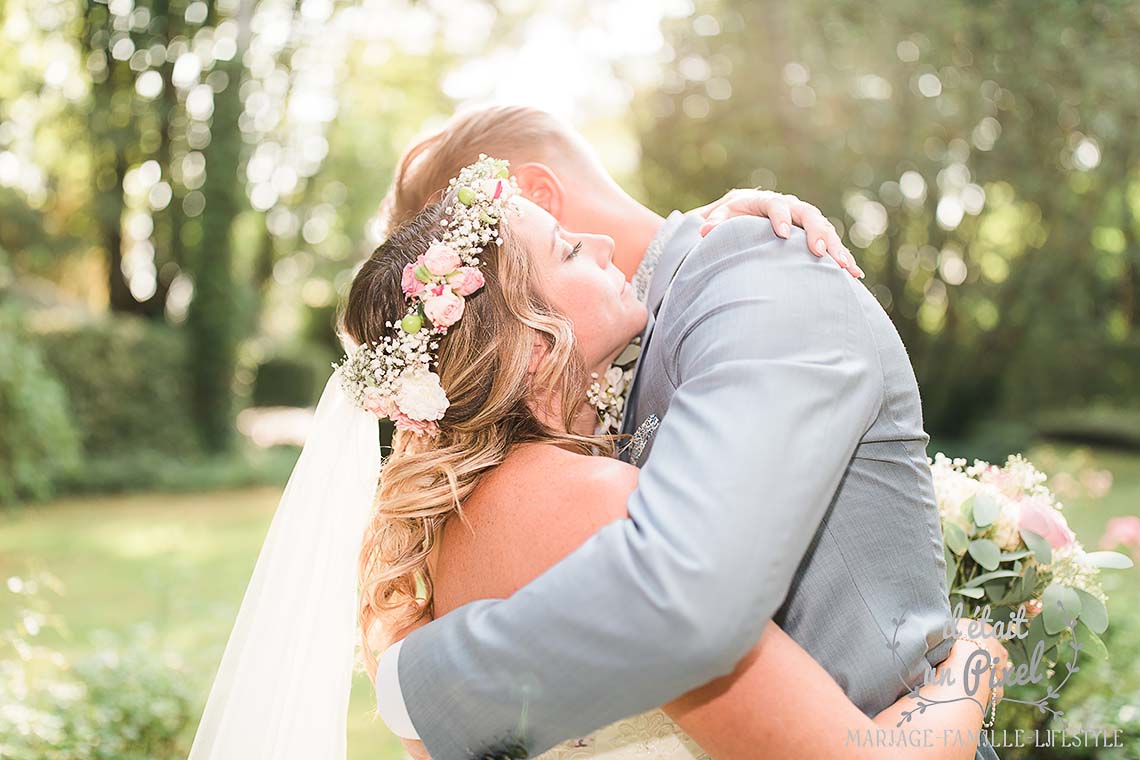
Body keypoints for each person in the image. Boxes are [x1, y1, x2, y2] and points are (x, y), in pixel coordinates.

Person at [367, 108, 1000, 760]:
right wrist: (977, 668)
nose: (598, 246)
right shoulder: (590, 493)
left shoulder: (464, 520)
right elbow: (690, 599)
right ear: (515, 322)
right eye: (567, 246)